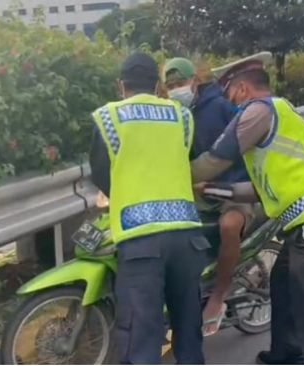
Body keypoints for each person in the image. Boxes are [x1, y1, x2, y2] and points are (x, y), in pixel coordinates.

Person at [191, 52, 304, 365]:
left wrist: (173, 176)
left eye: (228, 92)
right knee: (282, 284)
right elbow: (259, 190)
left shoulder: (257, 111)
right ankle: (286, 353)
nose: (228, 102)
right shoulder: (278, 113)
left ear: (241, 89)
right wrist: (213, 190)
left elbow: (213, 161)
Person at [89, 52, 208, 364]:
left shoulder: (109, 117)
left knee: (141, 334)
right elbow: (189, 159)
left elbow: (101, 174)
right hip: (186, 237)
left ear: (121, 85)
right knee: (187, 328)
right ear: (157, 85)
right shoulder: (181, 116)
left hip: (140, 239)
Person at [163, 57, 253, 336]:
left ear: (195, 81)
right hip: (195, 192)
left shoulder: (222, 107)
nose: (177, 89)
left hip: (234, 190)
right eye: (171, 85)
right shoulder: (170, 114)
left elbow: (244, 147)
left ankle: (218, 297)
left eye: (181, 83)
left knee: (228, 227)